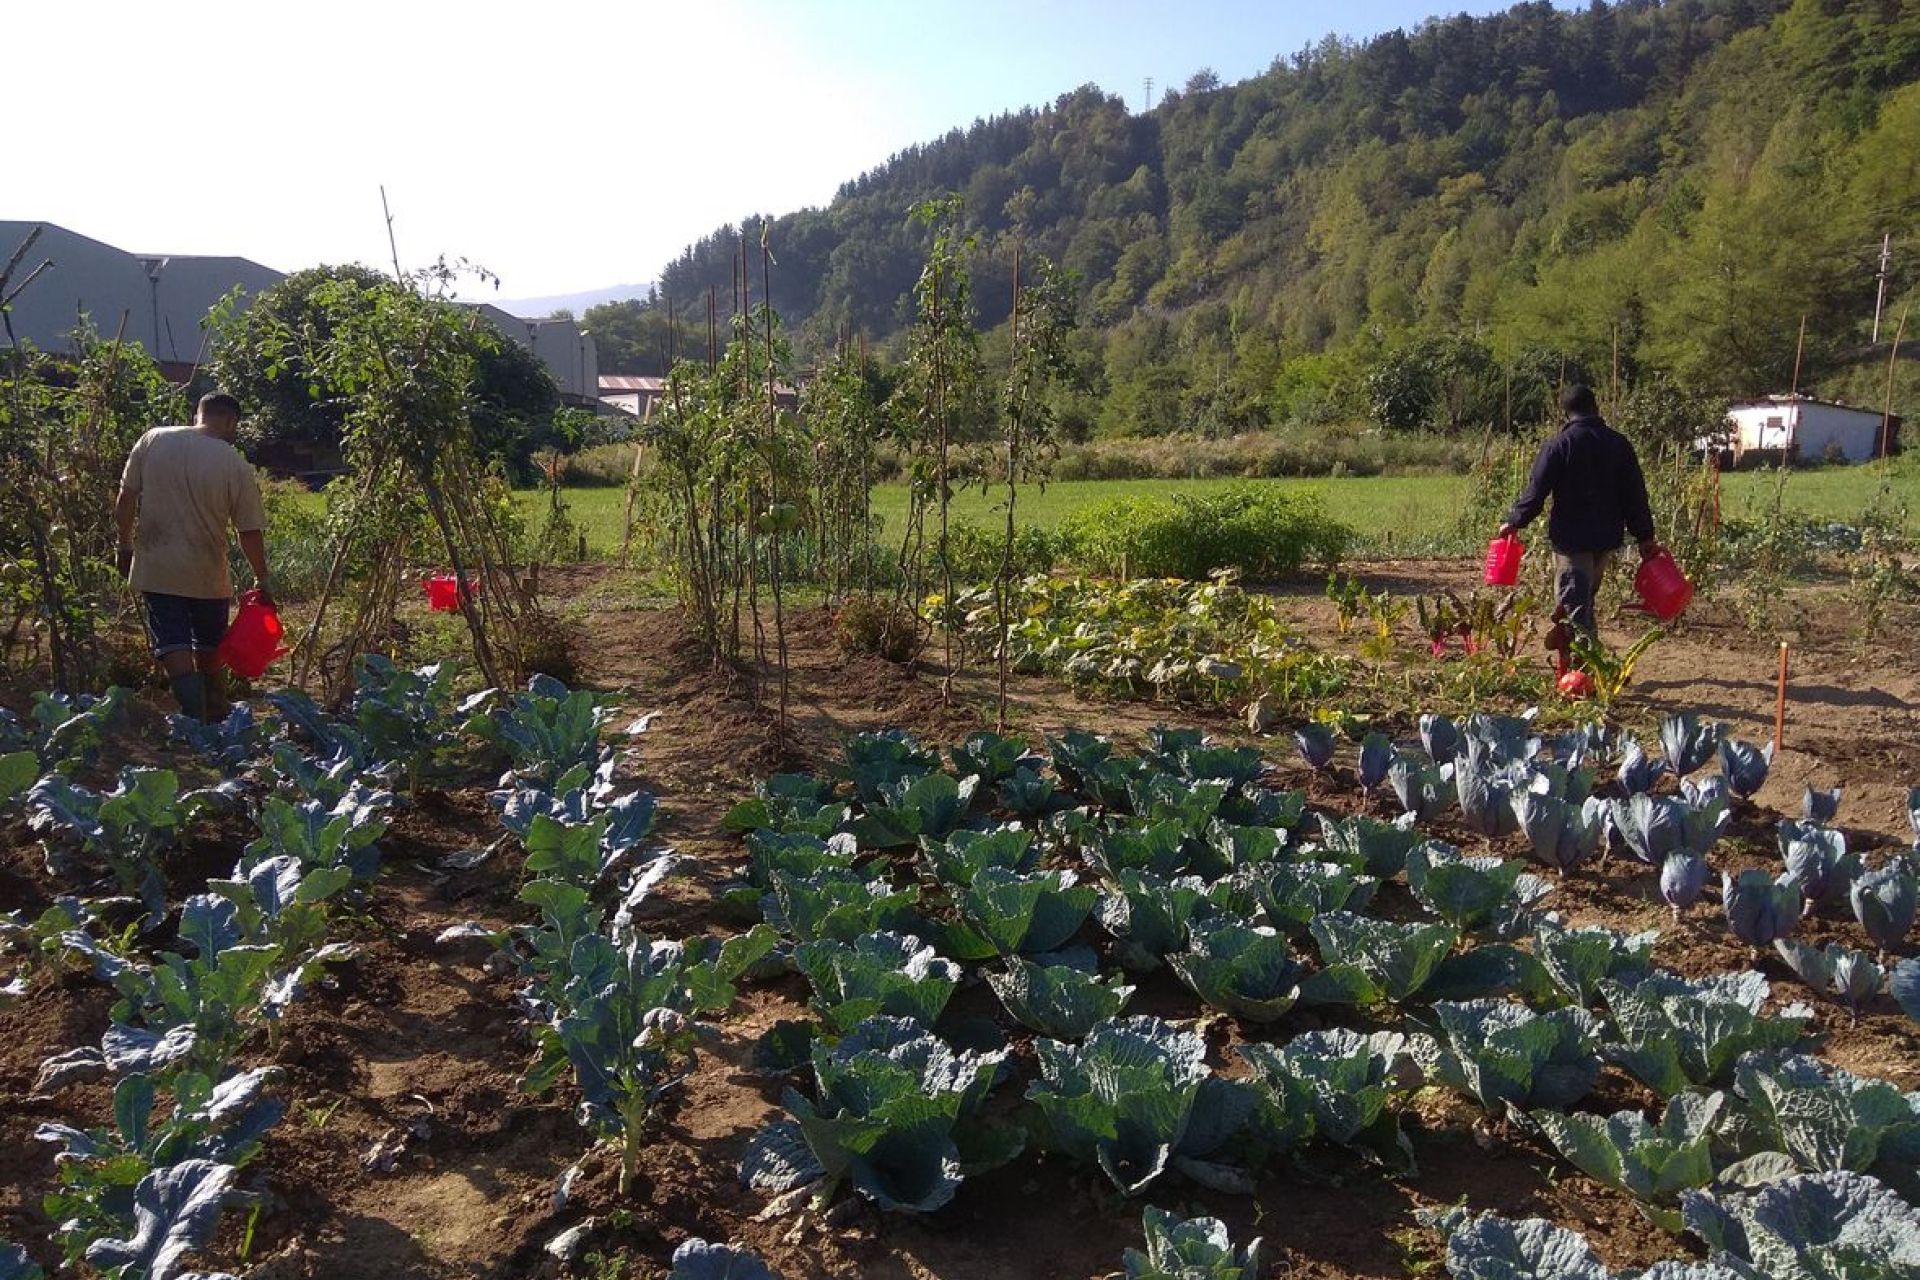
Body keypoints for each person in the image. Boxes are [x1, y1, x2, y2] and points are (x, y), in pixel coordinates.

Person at [115, 391, 272, 721]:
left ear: (197, 414)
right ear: (230, 421)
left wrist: (124, 545)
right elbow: (249, 531)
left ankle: (193, 710)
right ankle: (210, 709)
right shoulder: (233, 463)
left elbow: (126, 498)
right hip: (207, 570)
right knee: (209, 640)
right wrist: (262, 579)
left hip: (157, 563)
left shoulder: (153, 439)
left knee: (171, 639)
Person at [1497, 383, 1660, 652]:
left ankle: (1582, 669)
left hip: (1571, 540)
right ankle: (1584, 664)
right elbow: (1635, 494)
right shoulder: (1618, 444)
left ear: (1567, 413)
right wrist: (1644, 535)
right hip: (1605, 539)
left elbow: (1537, 492)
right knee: (1583, 603)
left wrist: (1515, 520)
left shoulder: (1559, 445)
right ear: (1595, 408)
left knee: (1574, 609)